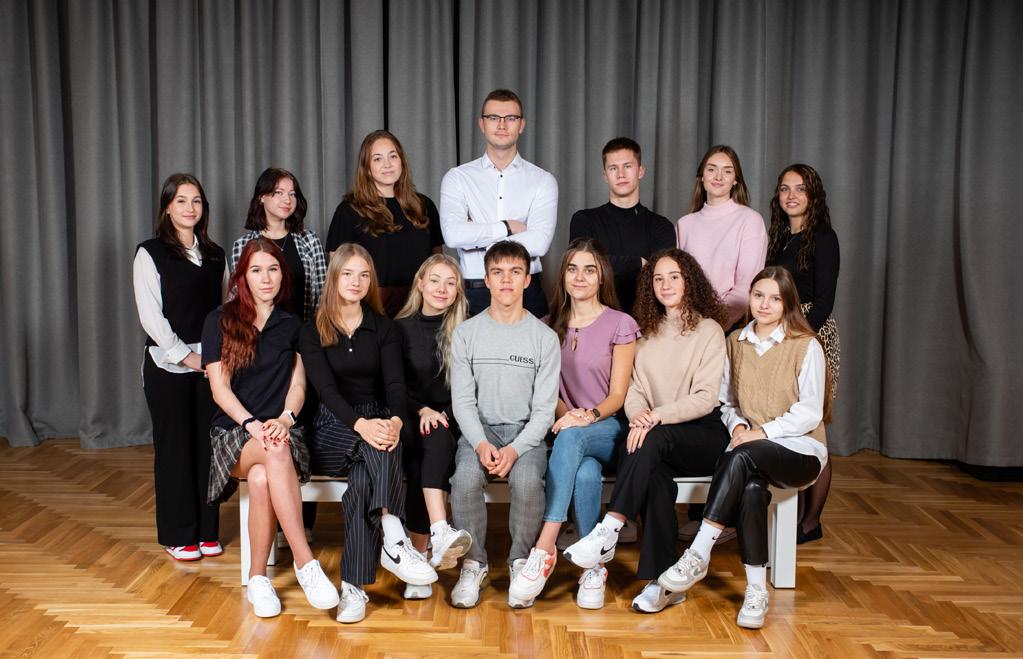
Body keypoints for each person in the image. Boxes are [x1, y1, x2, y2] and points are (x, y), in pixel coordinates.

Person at [655, 266, 831, 630]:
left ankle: (698, 551)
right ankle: (756, 590)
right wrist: (737, 425)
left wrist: (761, 431)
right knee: (751, 489)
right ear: (749, 298)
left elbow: (810, 412)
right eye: (758, 296)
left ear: (787, 304)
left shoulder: (805, 344)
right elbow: (728, 401)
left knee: (742, 455)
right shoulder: (735, 341)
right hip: (751, 449)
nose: (765, 305)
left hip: (801, 450)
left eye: (775, 299)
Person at [563, 249, 729, 613]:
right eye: (658, 278)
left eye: (674, 277)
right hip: (654, 436)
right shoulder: (645, 333)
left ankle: (610, 526)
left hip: (701, 435)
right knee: (653, 476)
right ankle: (663, 582)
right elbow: (634, 390)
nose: (665, 285)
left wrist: (654, 418)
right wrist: (639, 416)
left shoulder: (709, 331)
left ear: (690, 281)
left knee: (647, 439)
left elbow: (705, 398)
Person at [299, 243, 437, 624]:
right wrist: (362, 426)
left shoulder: (383, 328)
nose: (356, 282)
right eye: (348, 274)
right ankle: (394, 533)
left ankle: (353, 588)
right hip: (331, 425)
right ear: (334, 278)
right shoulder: (311, 330)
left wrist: (396, 422)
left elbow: (395, 385)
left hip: (378, 420)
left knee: (363, 480)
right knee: (377, 444)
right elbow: (326, 391)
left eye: (364, 275)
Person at [202, 238, 338, 618]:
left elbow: (298, 386)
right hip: (234, 434)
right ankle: (305, 562)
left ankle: (258, 579)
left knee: (262, 478)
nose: (266, 278)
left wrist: (284, 419)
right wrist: (254, 425)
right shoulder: (219, 320)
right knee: (272, 452)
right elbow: (219, 390)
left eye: (273, 269)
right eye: (257, 270)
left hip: (282, 431)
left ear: (283, 275)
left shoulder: (293, 325)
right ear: (243, 276)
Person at [507, 239, 640, 609]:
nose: (580, 277)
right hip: (566, 428)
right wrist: (568, 415)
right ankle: (593, 569)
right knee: (585, 473)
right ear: (562, 276)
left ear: (602, 278)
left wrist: (586, 416)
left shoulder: (621, 323)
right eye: (572, 269)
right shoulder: (546, 327)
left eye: (589, 270)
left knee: (572, 438)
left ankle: (544, 546)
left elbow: (618, 395)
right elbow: (547, 390)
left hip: (610, 428)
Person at [448, 240, 560, 608]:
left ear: (528, 280)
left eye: (515, 272)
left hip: (525, 434)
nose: (506, 280)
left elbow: (544, 410)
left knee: (528, 483)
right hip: (479, 432)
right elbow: (463, 401)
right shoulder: (466, 334)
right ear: (486, 280)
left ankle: (520, 561)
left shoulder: (544, 338)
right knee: (464, 480)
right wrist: (481, 443)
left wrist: (515, 449)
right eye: (498, 273)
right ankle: (473, 564)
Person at [133, 173, 227, 561]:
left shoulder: (216, 255)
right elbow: (151, 316)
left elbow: (224, 309)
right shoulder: (150, 253)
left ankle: (206, 530)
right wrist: (185, 356)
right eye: (182, 201)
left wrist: (215, 358)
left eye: (197, 201)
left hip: (210, 367)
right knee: (175, 450)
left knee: (208, 447)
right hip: (167, 364)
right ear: (167, 207)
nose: (190, 208)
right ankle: (178, 534)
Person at [233, 167, 327, 543]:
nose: (286, 200)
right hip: (260, 354)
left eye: (292, 193)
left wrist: (315, 345)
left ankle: (302, 523)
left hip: (303, 346)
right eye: (277, 193)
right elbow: (235, 300)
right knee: (269, 432)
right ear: (262, 198)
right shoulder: (245, 244)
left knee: (303, 426)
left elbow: (321, 297)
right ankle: (272, 523)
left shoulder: (308, 241)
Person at [766, 164, 840, 544]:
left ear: (813, 195)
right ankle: (790, 515)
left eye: (800, 188)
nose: (791, 195)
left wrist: (796, 338)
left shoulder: (823, 237)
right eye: (784, 188)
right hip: (782, 335)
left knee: (813, 427)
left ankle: (811, 522)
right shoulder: (781, 238)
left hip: (811, 335)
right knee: (789, 425)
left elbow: (825, 300)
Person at [394, 255, 474, 599]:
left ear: (458, 291)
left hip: (453, 419)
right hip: (408, 416)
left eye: (450, 283)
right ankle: (436, 536)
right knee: (419, 453)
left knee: (435, 441)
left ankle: (420, 559)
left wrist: (442, 414)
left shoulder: (467, 330)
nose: (442, 289)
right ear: (420, 283)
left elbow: (471, 389)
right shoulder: (399, 329)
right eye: (435, 280)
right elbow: (392, 387)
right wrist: (422, 409)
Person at [439, 88, 558, 317]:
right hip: (474, 293)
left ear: (521, 125)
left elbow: (539, 243)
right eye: (493, 117)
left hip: (527, 292)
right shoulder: (457, 178)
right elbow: (453, 236)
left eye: (510, 118)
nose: (502, 125)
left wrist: (476, 238)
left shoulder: (543, 180)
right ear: (482, 124)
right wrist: (507, 227)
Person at [327, 130, 444, 317]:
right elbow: (337, 269)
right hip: (373, 309)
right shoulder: (349, 210)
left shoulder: (424, 206)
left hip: (420, 308)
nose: (387, 164)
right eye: (377, 159)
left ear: (401, 161)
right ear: (366, 167)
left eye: (393, 156)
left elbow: (437, 260)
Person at [569, 137, 675, 314]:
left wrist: (602, 263)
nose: (621, 174)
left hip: (646, 322)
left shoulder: (661, 226)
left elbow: (659, 276)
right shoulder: (584, 220)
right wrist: (638, 262)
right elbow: (582, 267)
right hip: (594, 319)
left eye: (627, 166)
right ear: (605, 175)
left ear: (640, 171)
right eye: (613, 168)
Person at [676, 145, 768, 330]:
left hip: (728, 326)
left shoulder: (750, 220)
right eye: (711, 170)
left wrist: (714, 324)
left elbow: (746, 285)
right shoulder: (684, 224)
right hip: (686, 324)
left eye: (727, 171)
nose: (718, 177)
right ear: (701, 176)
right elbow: (677, 281)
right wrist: (687, 321)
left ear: (735, 180)